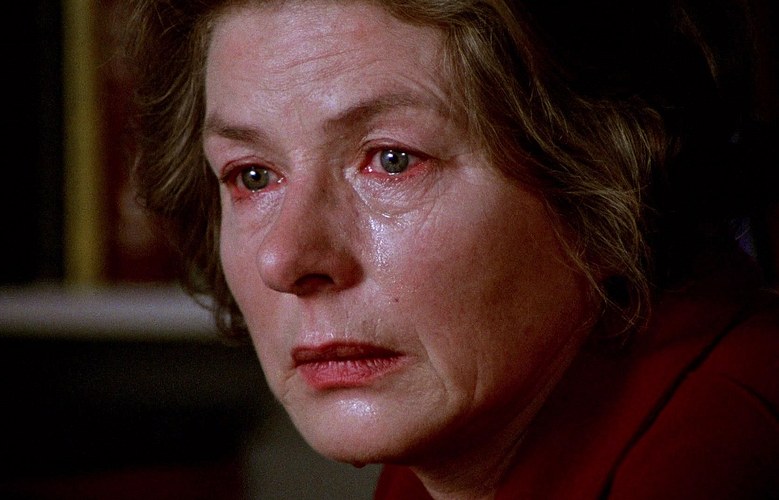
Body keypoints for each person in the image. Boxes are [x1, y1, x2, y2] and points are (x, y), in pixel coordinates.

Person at [125, 0, 779, 497]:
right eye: (252, 176)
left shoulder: (720, 454)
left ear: (607, 179)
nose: (286, 260)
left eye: (391, 160)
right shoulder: (456, 451)